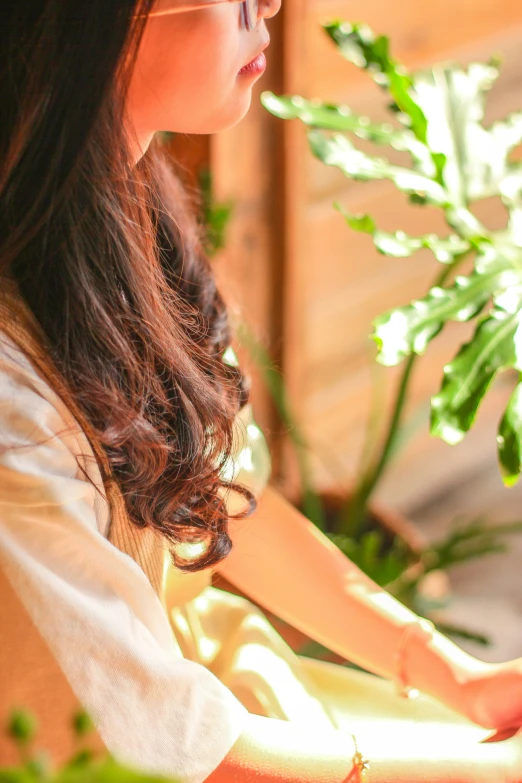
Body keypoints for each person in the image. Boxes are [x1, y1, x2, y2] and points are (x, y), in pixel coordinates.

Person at [2, 2, 522, 782]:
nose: (269, 6)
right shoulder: (14, 394)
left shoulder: (129, 219)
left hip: (217, 691)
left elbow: (219, 499)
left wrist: (456, 676)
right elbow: (162, 743)